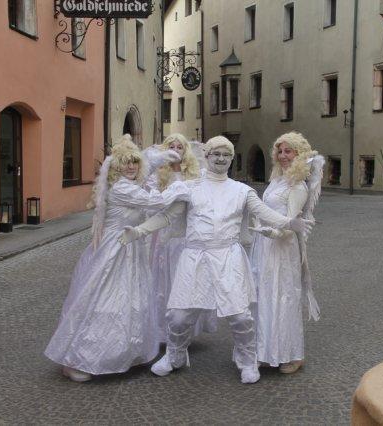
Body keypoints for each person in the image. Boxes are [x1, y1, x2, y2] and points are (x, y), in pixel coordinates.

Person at [119, 136, 314, 384]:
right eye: (216, 154)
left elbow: (264, 212)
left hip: (228, 257)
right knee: (179, 316)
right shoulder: (190, 187)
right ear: (207, 156)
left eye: (226, 155)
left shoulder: (242, 190)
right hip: (194, 256)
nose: (221, 159)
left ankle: (247, 359)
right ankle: (174, 355)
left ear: (231, 159)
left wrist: (289, 223)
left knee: (241, 316)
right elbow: (168, 216)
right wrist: (139, 231)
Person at [44, 135, 185, 382]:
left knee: (130, 299)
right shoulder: (121, 188)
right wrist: (179, 186)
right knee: (104, 300)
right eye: (125, 162)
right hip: (116, 249)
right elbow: (156, 201)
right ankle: (78, 358)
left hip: (130, 247)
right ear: (115, 166)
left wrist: (158, 159)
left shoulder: (129, 183)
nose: (130, 167)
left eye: (134, 162)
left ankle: (125, 352)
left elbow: (144, 176)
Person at [249, 132, 324, 374]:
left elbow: (292, 224)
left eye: (288, 151)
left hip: (282, 248)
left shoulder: (298, 186)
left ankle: (292, 354)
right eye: (279, 151)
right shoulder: (277, 180)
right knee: (264, 296)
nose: (282, 156)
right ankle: (265, 351)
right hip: (265, 246)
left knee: (283, 297)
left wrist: (274, 233)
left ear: (298, 154)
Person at [146, 134, 217, 342]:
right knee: (164, 282)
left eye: (179, 147)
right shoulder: (158, 175)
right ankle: (164, 331)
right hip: (166, 235)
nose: (176, 150)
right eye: (172, 147)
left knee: (186, 281)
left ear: (185, 151)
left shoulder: (194, 174)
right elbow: (153, 201)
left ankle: (185, 330)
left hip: (188, 235)